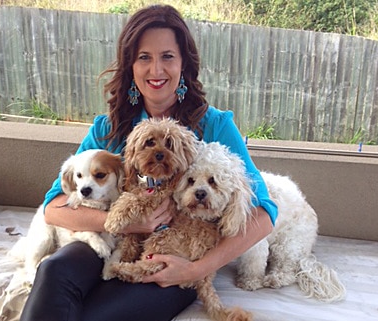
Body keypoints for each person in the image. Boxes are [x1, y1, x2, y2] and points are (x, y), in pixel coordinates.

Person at [20, 4, 277, 321]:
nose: (156, 70)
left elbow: (265, 212)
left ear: (184, 63)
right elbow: (53, 207)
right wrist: (126, 223)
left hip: (172, 255)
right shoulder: (107, 129)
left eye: (167, 56)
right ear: (130, 65)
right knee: (54, 269)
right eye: (144, 57)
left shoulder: (215, 126)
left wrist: (195, 269)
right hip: (110, 241)